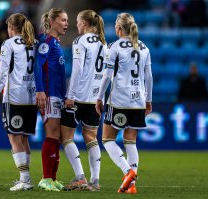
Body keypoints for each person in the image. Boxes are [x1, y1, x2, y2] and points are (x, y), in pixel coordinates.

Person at [95, 13, 153, 194]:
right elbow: (149, 77)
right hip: (138, 100)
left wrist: (99, 97)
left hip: (119, 100)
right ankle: (132, 185)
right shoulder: (144, 47)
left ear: (119, 28)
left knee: (107, 139)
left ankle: (128, 171)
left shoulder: (114, 47)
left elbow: (106, 75)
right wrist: (148, 99)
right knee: (130, 141)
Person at [60, 9, 106, 191]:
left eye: (78, 22)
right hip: (94, 97)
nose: (76, 25)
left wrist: (70, 95)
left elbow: (77, 70)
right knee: (91, 137)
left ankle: (80, 177)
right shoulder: (104, 43)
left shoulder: (80, 41)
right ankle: (95, 181)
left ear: (85, 23)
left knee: (66, 137)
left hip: (78, 96)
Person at [0, 13, 37, 191]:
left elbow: (2, 74)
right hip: (31, 98)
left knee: (14, 138)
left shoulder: (8, 44)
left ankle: (25, 179)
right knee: (24, 139)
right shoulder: (34, 43)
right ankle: (26, 178)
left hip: (15, 97)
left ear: (11, 28)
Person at [34, 8, 68, 192]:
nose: (66, 24)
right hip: (49, 94)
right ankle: (46, 178)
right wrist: (40, 91)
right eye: (63, 20)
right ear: (53, 21)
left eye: (67, 20)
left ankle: (52, 179)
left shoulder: (55, 42)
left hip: (58, 95)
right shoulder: (46, 41)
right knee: (52, 134)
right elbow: (37, 66)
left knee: (58, 138)